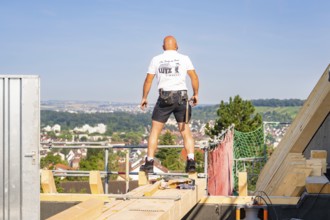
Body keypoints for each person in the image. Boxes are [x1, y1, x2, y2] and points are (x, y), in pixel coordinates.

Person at [140, 35, 199, 173]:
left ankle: (149, 163)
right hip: (182, 98)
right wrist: (196, 94)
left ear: (163, 47)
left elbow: (148, 80)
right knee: (185, 132)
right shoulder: (184, 58)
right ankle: (191, 162)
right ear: (177, 46)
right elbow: (194, 77)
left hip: (164, 98)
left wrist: (144, 97)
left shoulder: (156, 59)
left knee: (155, 131)